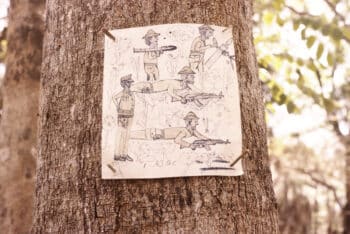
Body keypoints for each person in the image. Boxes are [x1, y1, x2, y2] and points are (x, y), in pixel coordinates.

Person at [130, 111, 208, 149]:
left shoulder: (192, 131)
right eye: (195, 122)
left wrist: (210, 141)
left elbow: (200, 136)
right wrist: (189, 145)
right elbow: (177, 140)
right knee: (129, 135)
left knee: (128, 135)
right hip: (154, 134)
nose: (197, 124)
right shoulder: (184, 131)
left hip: (156, 134)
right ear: (189, 122)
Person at [130, 66, 200, 103]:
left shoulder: (183, 85)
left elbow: (196, 91)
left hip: (150, 89)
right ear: (185, 76)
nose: (194, 77)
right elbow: (170, 92)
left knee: (131, 89)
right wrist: (180, 99)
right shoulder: (175, 83)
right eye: (191, 76)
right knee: (131, 88)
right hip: (148, 86)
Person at [112, 74, 135, 161]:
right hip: (123, 116)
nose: (130, 84)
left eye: (130, 83)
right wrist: (117, 106)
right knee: (121, 134)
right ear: (124, 83)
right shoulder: (123, 93)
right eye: (128, 82)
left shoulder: (131, 93)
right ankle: (117, 155)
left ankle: (124, 154)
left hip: (130, 116)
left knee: (127, 136)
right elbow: (114, 98)